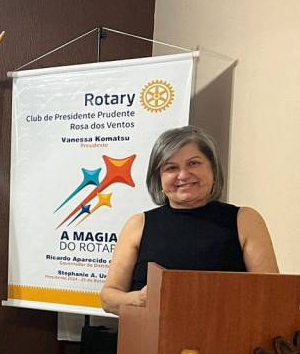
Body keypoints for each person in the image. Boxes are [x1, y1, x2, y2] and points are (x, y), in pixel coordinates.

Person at [101, 125, 278, 314]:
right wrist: (138, 299)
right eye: (171, 168)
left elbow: (273, 293)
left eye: (194, 163)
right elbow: (108, 298)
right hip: (149, 331)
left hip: (227, 329)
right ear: (158, 177)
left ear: (213, 169)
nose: (183, 175)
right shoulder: (139, 224)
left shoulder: (245, 220)